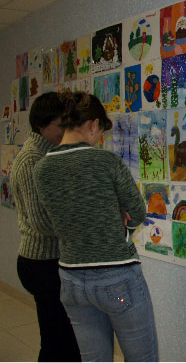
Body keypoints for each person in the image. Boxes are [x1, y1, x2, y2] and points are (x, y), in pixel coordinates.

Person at [34, 91, 158, 362]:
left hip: (71, 280)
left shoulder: (41, 169)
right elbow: (137, 212)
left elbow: (54, 221)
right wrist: (117, 217)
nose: (99, 138)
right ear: (92, 125)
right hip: (116, 276)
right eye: (100, 131)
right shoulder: (106, 162)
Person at [9, 92, 81, 362]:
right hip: (41, 263)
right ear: (42, 125)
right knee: (57, 342)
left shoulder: (48, 154)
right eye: (60, 124)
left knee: (65, 337)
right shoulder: (32, 160)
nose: (65, 130)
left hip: (53, 260)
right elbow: (41, 220)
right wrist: (81, 224)